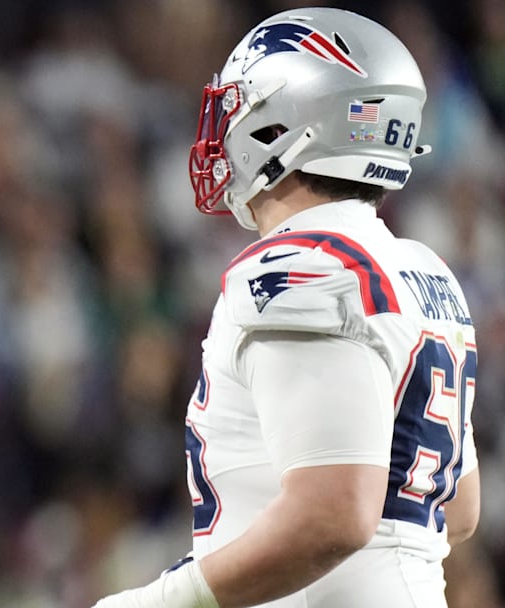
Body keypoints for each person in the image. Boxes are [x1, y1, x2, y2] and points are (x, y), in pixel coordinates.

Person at [93, 7, 480, 608]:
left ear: (284, 125)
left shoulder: (300, 268)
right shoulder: (425, 272)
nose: (223, 130)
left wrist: (165, 600)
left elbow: (334, 516)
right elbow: (454, 509)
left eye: (239, 109)